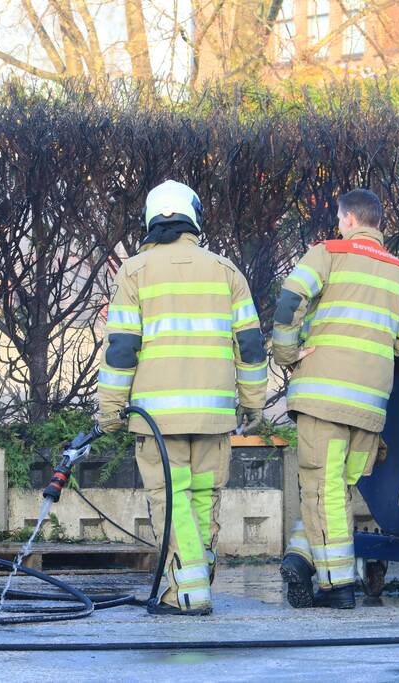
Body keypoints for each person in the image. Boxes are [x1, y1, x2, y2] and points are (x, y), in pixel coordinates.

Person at [96, 180, 266, 616]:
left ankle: (187, 594)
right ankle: (198, 580)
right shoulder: (227, 271)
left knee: (172, 501)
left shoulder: (134, 272)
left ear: (150, 220)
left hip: (159, 419)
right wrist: (253, 402)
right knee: (203, 499)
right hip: (213, 418)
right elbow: (250, 346)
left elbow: (122, 348)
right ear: (195, 218)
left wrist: (110, 408)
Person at [273, 189, 399, 609]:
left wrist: (286, 353)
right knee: (336, 489)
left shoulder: (328, 253)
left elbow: (289, 300)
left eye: (340, 219)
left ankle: (337, 586)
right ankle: (301, 557)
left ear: (350, 219)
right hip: (370, 405)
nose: (339, 226)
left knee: (323, 490)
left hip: (323, 397)